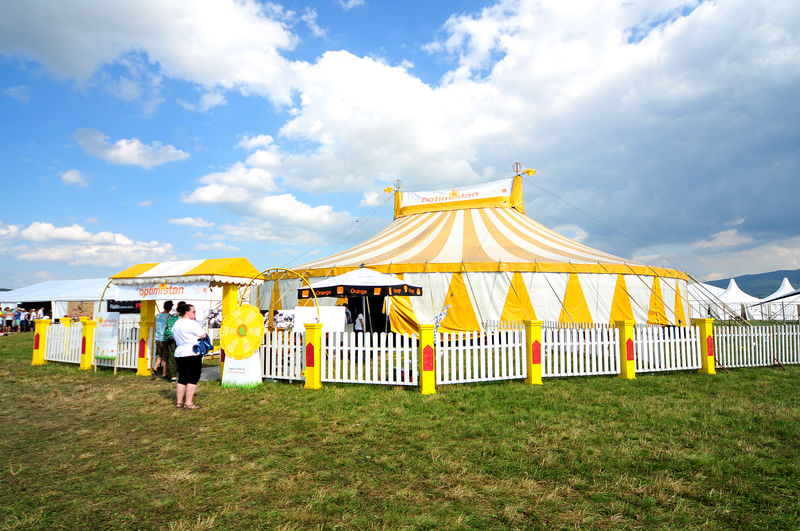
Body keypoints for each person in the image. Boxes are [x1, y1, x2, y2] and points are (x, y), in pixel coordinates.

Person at [170, 303, 206, 409]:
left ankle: (179, 402)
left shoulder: (176, 324)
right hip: (192, 352)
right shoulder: (192, 324)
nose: (195, 314)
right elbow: (203, 335)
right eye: (193, 312)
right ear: (187, 312)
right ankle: (189, 402)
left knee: (182, 378)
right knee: (193, 377)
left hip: (179, 352)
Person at [152, 301, 174, 379]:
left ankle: (155, 368)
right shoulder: (169, 317)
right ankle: (164, 374)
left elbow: (155, 328)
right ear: (170, 308)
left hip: (157, 338)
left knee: (160, 355)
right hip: (164, 339)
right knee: (165, 357)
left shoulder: (157, 316)